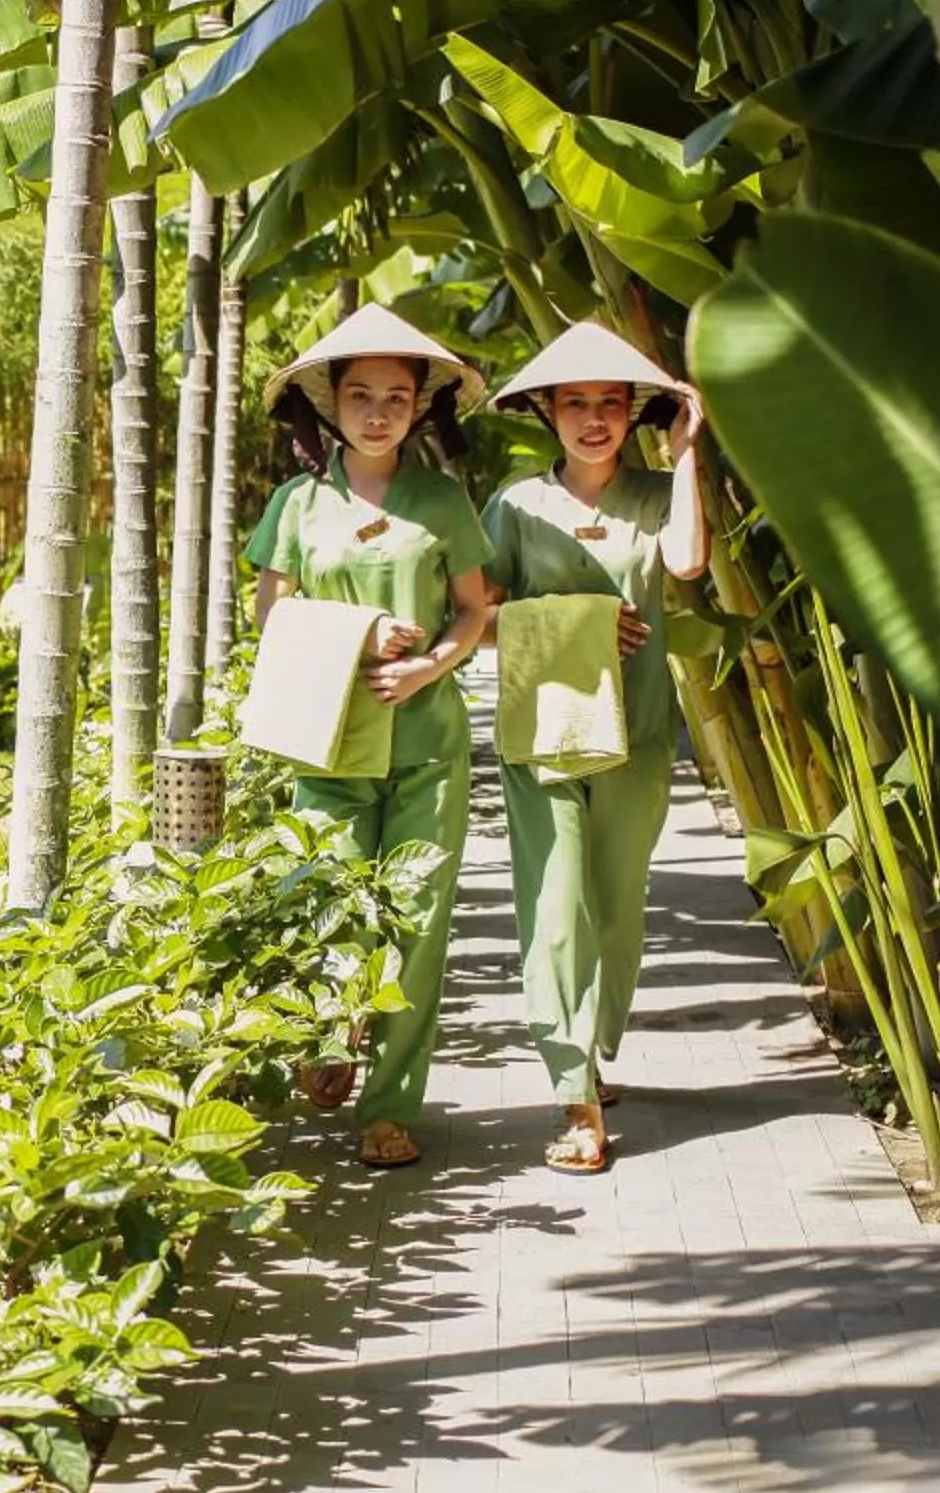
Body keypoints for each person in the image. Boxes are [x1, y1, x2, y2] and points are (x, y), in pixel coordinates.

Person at [243, 304, 497, 1170]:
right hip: (325, 736)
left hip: (428, 744)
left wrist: (431, 666)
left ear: (422, 407)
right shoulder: (296, 503)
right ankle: (327, 1037)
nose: (379, 411)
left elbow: (473, 611)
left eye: (397, 395)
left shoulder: (442, 501)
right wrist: (362, 631)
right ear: (332, 405)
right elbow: (270, 615)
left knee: (418, 929)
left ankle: (388, 1109)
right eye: (361, 395)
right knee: (324, 908)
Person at [481, 321, 712, 1177]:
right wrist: (570, 627)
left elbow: (687, 564)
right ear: (546, 410)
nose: (592, 419)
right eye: (574, 403)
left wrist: (688, 452)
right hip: (543, 731)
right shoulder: (514, 506)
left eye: (609, 403)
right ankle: (574, 1093)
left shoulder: (655, 497)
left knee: (617, 907)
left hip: (640, 733)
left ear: (630, 414)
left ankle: (594, 1041)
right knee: (554, 905)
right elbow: (475, 623)